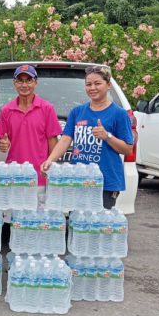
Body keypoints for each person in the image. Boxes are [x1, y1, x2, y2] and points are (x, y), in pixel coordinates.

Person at [41, 65, 134, 209]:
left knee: (98, 227)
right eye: (88, 84)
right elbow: (65, 139)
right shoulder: (77, 112)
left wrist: (107, 136)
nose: (92, 88)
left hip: (105, 182)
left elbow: (128, 149)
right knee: (78, 224)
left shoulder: (119, 114)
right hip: (78, 179)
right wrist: (50, 160)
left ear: (108, 85)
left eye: (98, 83)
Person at [0, 64, 62, 188]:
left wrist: (51, 169)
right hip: (14, 176)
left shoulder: (46, 108)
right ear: (14, 83)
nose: (24, 85)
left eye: (29, 80)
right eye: (20, 80)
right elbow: (3, 141)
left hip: (40, 176)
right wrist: (3, 144)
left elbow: (52, 141)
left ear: (36, 83)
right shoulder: (6, 110)